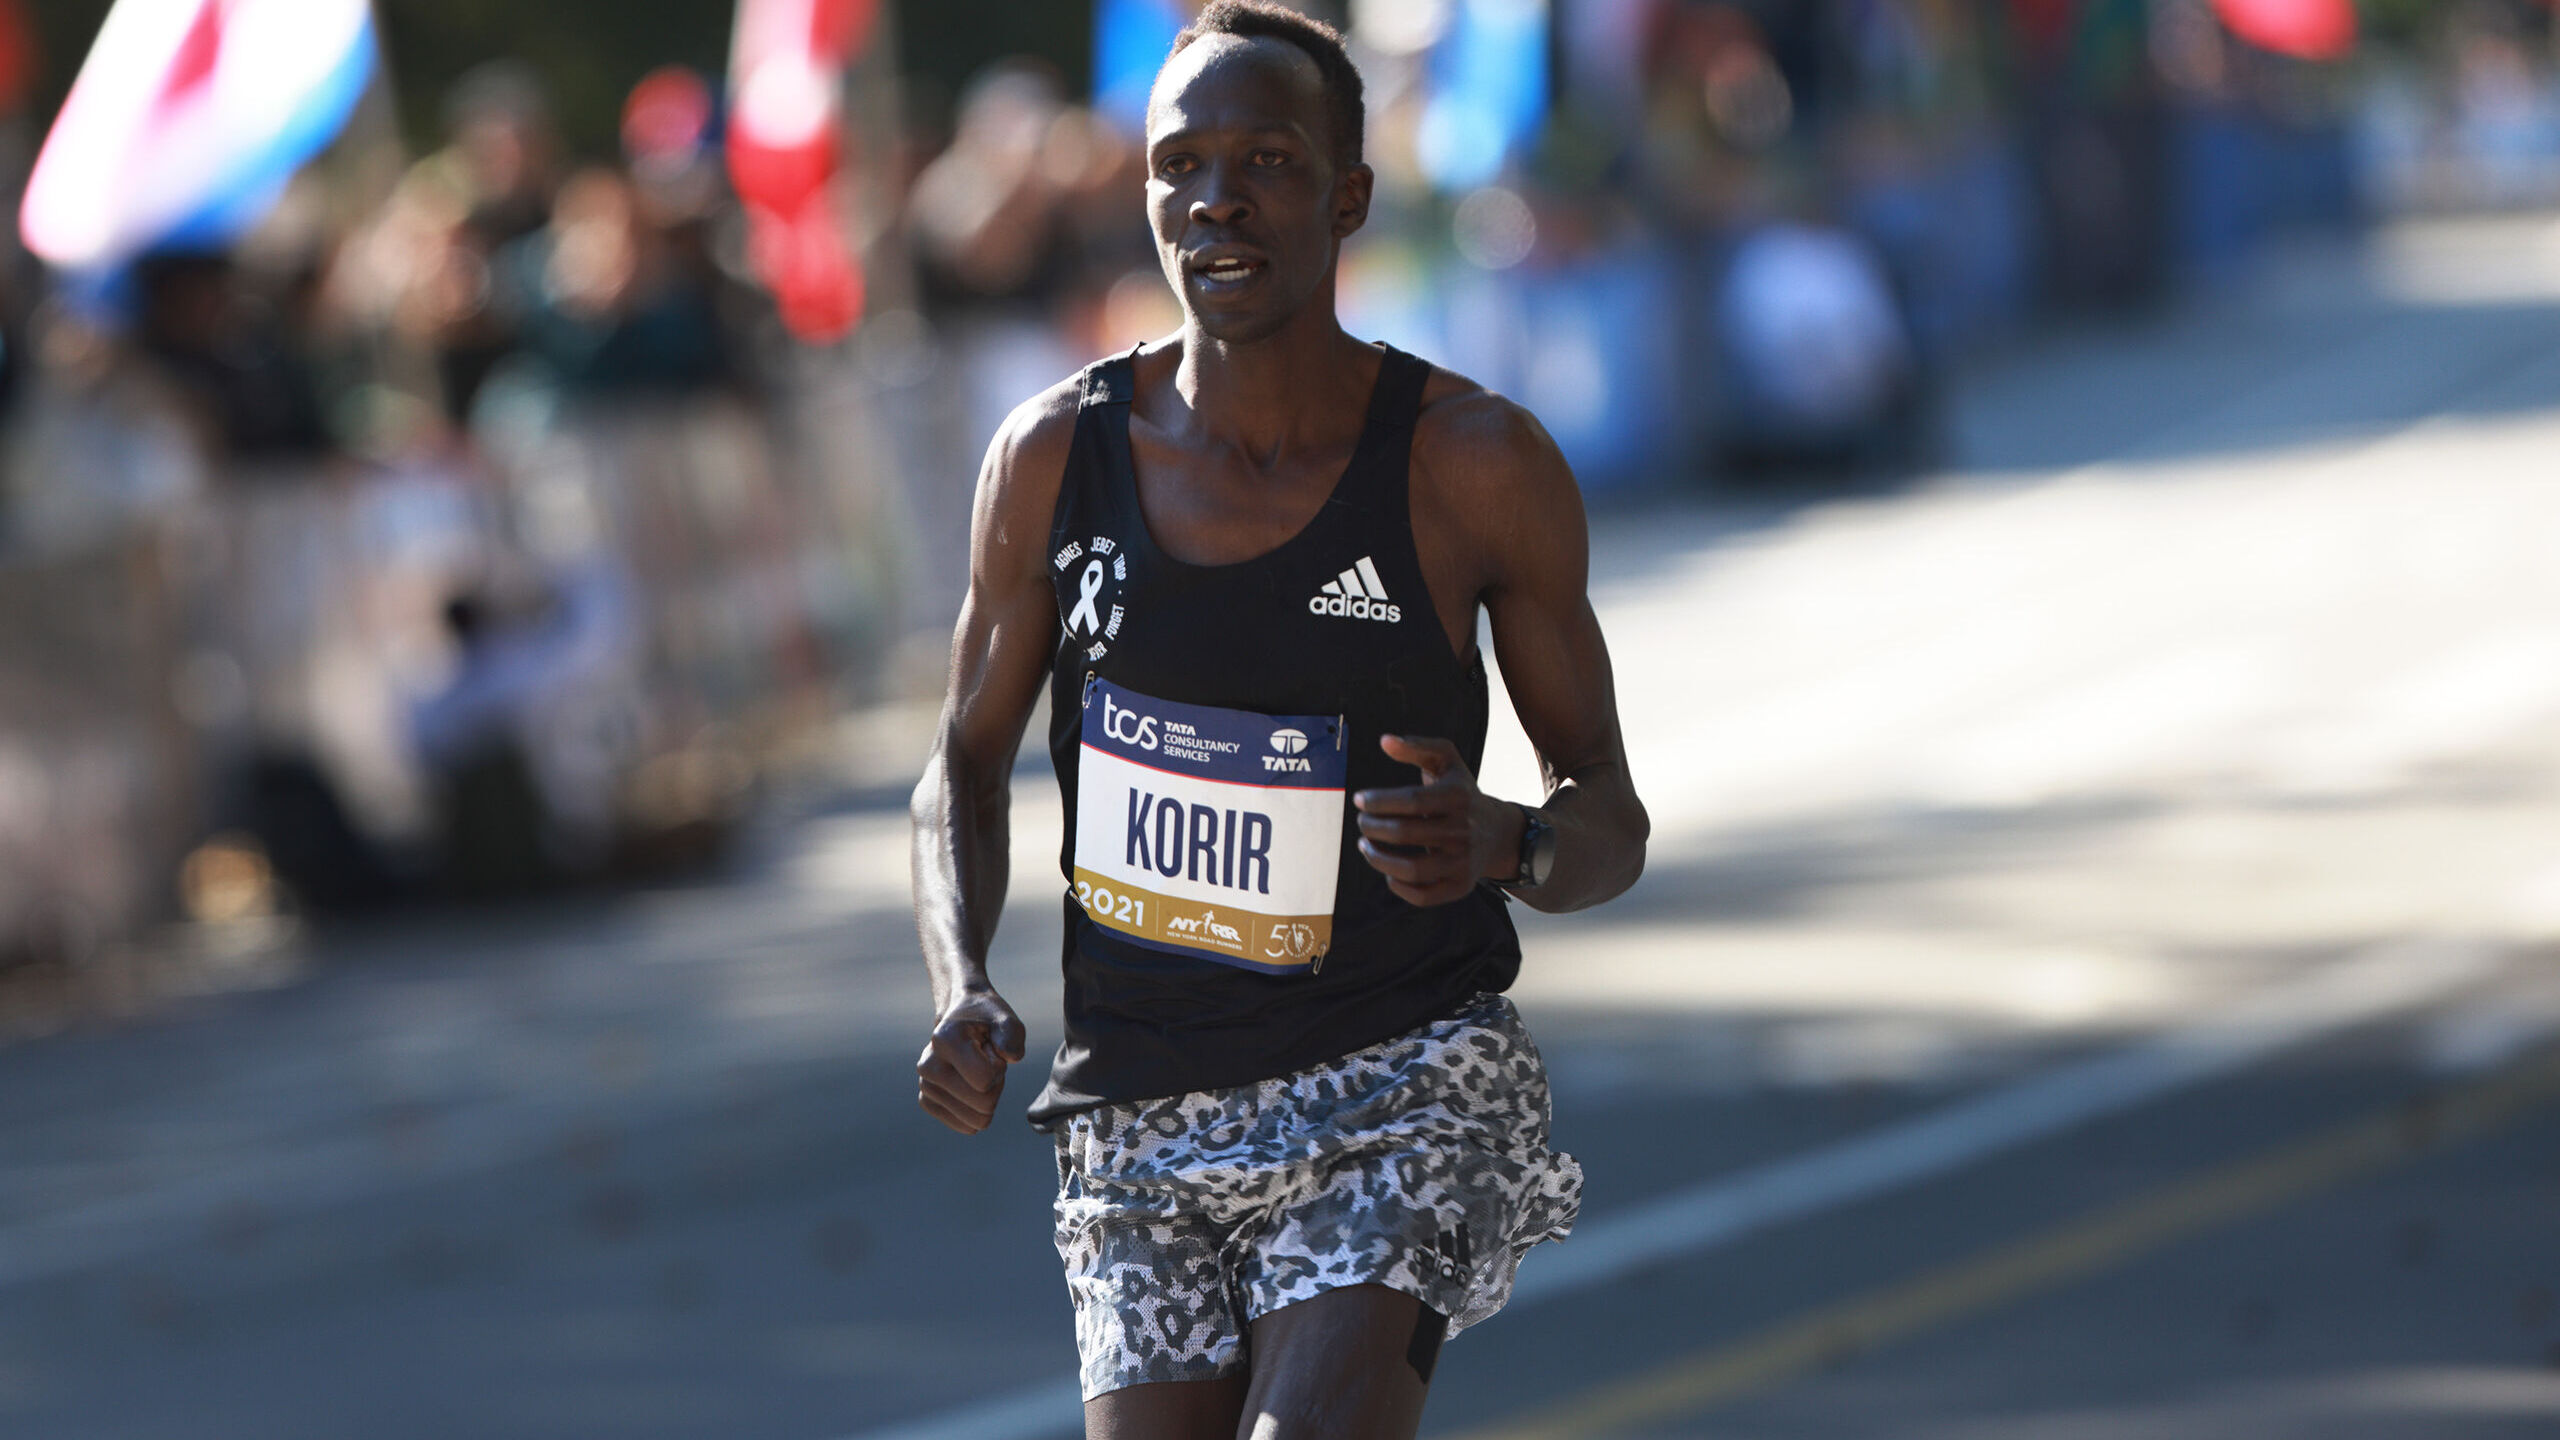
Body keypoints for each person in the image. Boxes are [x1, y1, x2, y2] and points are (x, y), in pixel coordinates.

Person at [909, 5, 1649, 1436]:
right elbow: (962, 768)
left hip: (1398, 1081)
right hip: (1139, 1112)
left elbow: (1609, 811)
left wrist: (1509, 843)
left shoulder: (1471, 464)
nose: (1216, 200)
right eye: (1179, 165)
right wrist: (962, 979)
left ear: (1349, 195)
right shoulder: (1053, 459)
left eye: (1266, 161)